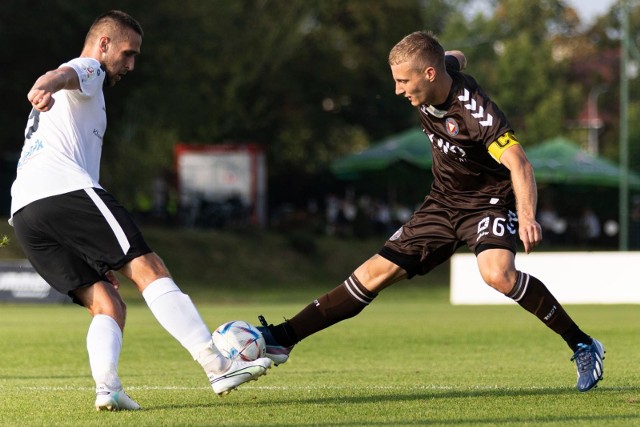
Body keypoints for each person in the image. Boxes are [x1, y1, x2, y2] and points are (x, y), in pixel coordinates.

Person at [257, 31, 604, 392]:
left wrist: (528, 216)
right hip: (442, 202)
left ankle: (582, 344)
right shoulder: (437, 70)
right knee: (373, 273)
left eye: (403, 81)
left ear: (429, 75)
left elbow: (520, 164)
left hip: (487, 202)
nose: (397, 90)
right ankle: (283, 337)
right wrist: (448, 57)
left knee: (497, 274)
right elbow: (454, 56)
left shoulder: (475, 113)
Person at [9, 10, 271, 411]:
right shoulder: (91, 69)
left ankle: (107, 388)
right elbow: (62, 74)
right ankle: (218, 365)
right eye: (128, 54)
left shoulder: (82, 101)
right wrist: (43, 85)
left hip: (24, 213)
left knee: (107, 303)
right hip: (62, 190)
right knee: (149, 268)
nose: (130, 64)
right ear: (103, 44)